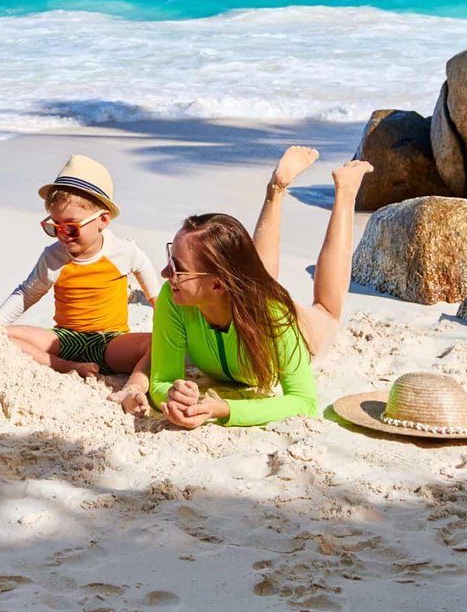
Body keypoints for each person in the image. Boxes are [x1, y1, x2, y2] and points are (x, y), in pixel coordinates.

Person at [148, 146, 369, 428]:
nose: (166, 273)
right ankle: (276, 189)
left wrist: (225, 410)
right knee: (253, 275)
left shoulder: (274, 315)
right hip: (242, 293)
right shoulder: (173, 297)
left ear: (216, 284)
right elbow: (161, 381)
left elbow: (304, 401)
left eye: (178, 268)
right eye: (170, 259)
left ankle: (346, 191)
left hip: (289, 324)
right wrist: (172, 394)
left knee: (327, 310)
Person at [0, 155, 160, 405]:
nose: (62, 235)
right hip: (65, 339)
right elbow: (26, 294)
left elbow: (152, 288)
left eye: (71, 228)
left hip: (111, 341)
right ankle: (70, 367)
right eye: (55, 227)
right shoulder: (53, 256)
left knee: (157, 343)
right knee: (2, 336)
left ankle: (133, 388)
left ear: (102, 221)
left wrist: (164, 321)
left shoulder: (123, 251)